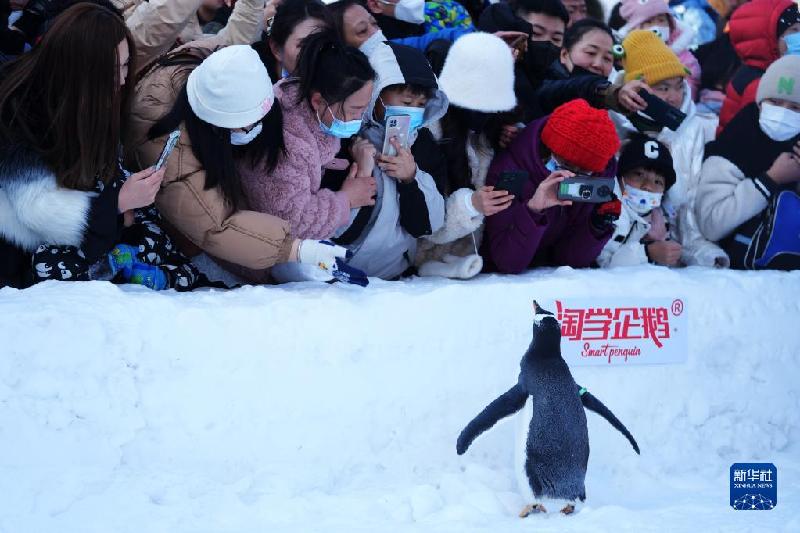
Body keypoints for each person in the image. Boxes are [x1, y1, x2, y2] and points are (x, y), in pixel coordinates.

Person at [0, 2, 204, 290]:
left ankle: (133, 263)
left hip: (80, 212)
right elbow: (38, 207)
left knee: (147, 227)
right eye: (115, 69)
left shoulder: (79, 97)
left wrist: (125, 200)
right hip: (19, 244)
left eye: (124, 66)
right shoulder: (20, 111)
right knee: (55, 266)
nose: (122, 79)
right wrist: (119, 202)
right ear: (83, 69)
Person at [127, 40, 364, 285]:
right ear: (216, 123)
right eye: (245, 124)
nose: (253, 130)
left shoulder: (228, 64)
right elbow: (216, 225)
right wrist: (296, 250)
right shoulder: (169, 149)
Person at [322, 41, 446, 280]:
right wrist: (364, 173)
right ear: (376, 94)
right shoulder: (345, 137)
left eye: (421, 105)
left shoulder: (422, 144)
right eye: (406, 103)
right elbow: (339, 232)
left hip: (393, 274)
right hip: (332, 273)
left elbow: (427, 227)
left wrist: (411, 179)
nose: (414, 111)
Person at [239, 29, 377, 242]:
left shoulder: (301, 99)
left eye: (363, 108)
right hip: (263, 248)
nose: (359, 119)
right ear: (317, 101)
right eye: (355, 109)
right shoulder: (285, 144)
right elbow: (292, 223)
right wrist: (346, 200)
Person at [415, 32, 517, 279]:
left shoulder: (490, 132)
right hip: (425, 258)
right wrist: (471, 205)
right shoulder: (427, 132)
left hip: (473, 258)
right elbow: (422, 224)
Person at [481, 99, 622, 274]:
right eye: (565, 164)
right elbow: (506, 261)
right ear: (548, 147)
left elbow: (570, 262)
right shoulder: (511, 171)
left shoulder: (597, 178)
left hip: (551, 280)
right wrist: (534, 210)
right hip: (499, 284)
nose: (571, 176)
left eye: (583, 171)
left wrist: (596, 227)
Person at [696, 55, 800, 269]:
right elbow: (711, 224)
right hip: (738, 277)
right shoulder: (735, 145)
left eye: (795, 108)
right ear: (760, 103)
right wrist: (770, 180)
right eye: (775, 102)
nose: (783, 113)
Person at [598, 135, 728, 267]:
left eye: (657, 182)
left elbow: (684, 242)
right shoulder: (604, 210)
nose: (647, 186)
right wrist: (647, 253)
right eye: (638, 175)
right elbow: (603, 263)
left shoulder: (658, 217)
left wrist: (709, 257)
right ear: (621, 176)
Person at [525, 19, 651, 122]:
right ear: (564, 54)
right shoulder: (543, 85)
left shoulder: (604, 108)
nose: (598, 64)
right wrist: (613, 93)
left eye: (607, 58)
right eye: (591, 53)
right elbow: (580, 86)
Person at [718, 0, 800, 133]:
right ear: (770, 37)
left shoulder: (768, 73)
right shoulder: (763, 84)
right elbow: (763, 135)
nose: (798, 37)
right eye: (794, 30)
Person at [616, 0, 702, 99]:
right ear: (636, 27)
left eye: (661, 20)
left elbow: (690, 85)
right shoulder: (629, 57)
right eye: (649, 22)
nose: (657, 26)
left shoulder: (684, 57)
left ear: (670, 24)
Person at [254, 0, 331, 80]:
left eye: (324, 44)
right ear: (276, 49)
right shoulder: (250, 77)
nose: (317, 53)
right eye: (304, 45)